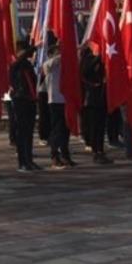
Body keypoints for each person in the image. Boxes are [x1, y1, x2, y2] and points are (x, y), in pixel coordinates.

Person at [43, 33, 76, 169]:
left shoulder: (63, 63)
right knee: (57, 129)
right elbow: (51, 63)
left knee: (65, 130)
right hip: (55, 100)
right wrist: (64, 49)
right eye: (57, 51)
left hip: (65, 100)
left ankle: (65, 155)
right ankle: (54, 156)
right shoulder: (49, 64)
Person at [9, 41, 41, 172]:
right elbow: (19, 60)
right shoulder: (14, 64)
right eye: (24, 51)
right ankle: (22, 162)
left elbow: (33, 80)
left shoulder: (27, 64)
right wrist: (35, 46)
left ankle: (29, 159)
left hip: (30, 99)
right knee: (22, 132)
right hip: (19, 98)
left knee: (29, 132)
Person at [80, 47, 112, 164]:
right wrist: (99, 57)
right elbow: (86, 70)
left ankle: (100, 150)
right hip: (91, 99)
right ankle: (95, 151)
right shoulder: (85, 62)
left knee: (101, 127)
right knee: (93, 127)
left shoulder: (99, 63)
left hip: (101, 97)